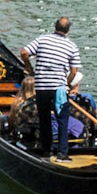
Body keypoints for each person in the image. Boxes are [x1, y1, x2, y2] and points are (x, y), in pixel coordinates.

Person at [20, 16, 82, 160]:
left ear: (55, 27)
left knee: (44, 119)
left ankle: (46, 150)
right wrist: (66, 84)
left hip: (41, 86)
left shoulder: (42, 39)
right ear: (68, 30)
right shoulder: (72, 46)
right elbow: (73, 71)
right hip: (59, 89)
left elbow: (24, 52)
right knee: (62, 119)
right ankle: (62, 154)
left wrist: (29, 68)